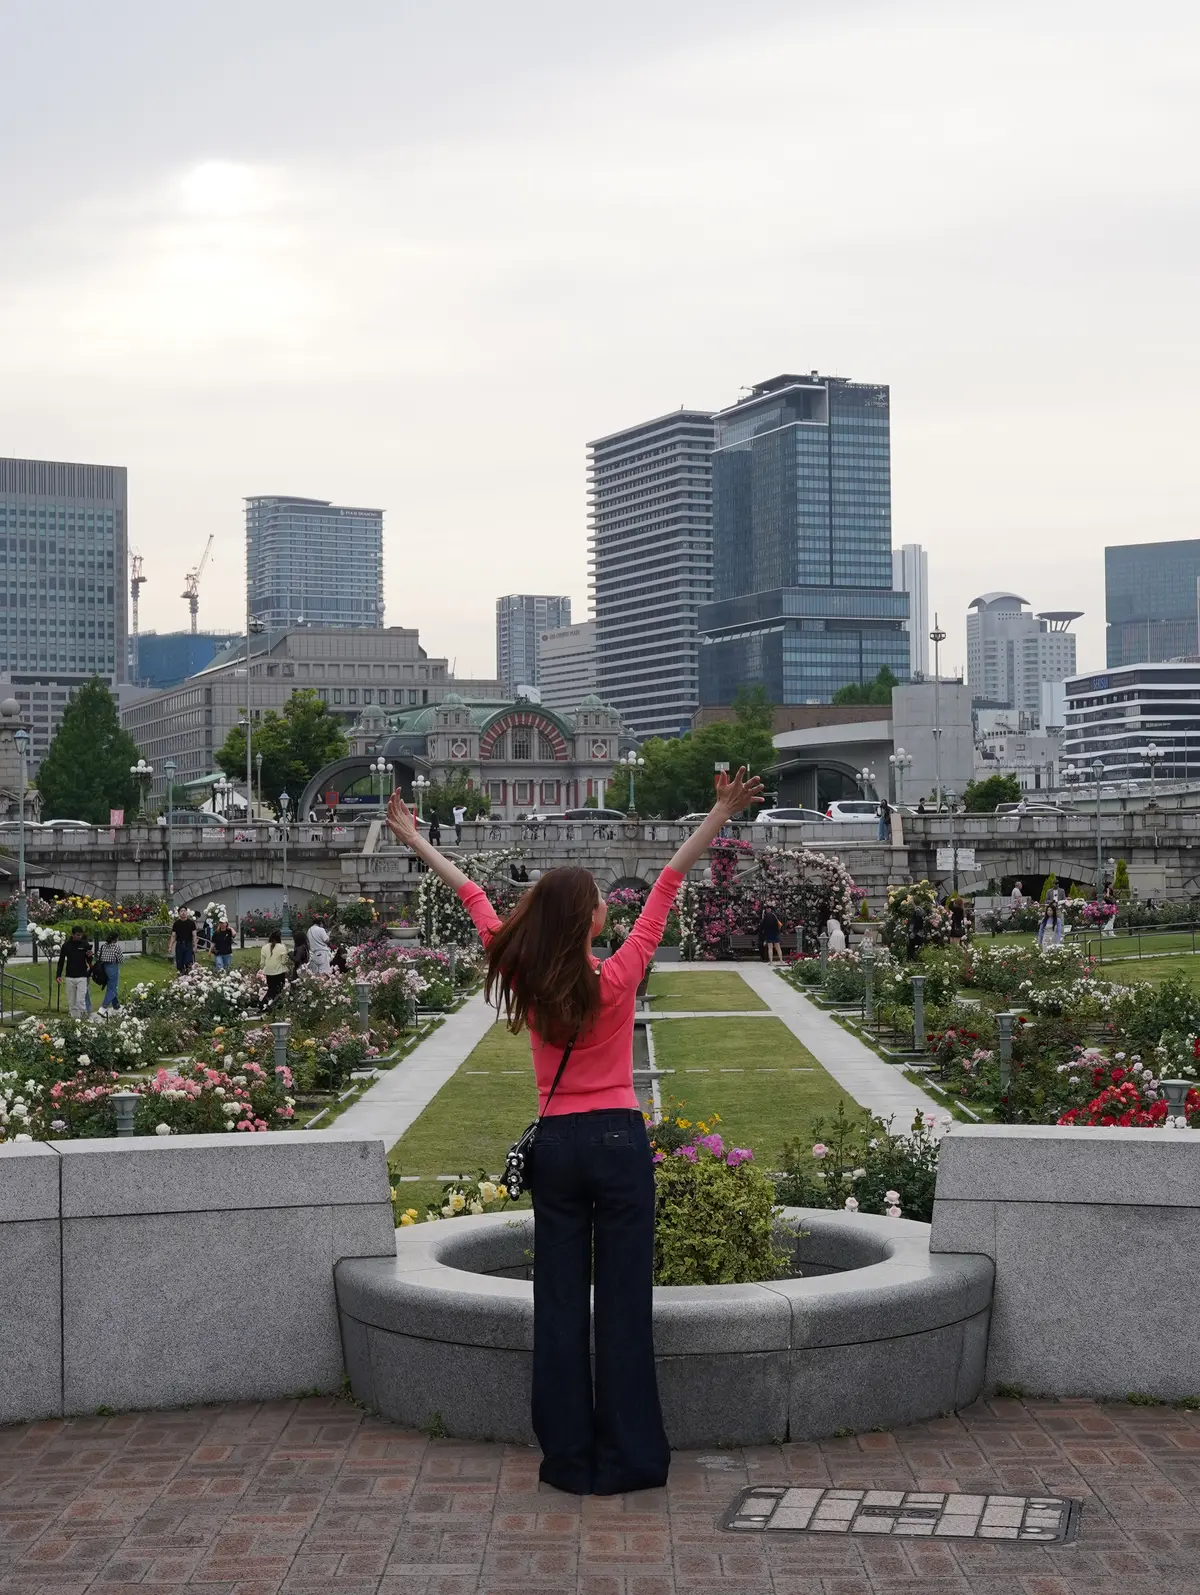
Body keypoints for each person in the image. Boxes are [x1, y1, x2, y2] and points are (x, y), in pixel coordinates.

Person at [384, 766, 764, 1496]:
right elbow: (670, 880)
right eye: (595, 902)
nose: (603, 909)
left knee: (560, 1305)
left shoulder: (524, 973)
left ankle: (567, 1459)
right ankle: (630, 1458)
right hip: (620, 1143)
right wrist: (718, 812)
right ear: (585, 918)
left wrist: (414, 839)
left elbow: (472, 894)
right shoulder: (616, 977)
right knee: (623, 1307)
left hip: (556, 1146)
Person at [56, 926, 93, 1020]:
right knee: (71, 1001)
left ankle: (83, 1019)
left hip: (82, 976)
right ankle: (75, 1020)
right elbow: (61, 961)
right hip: (70, 976)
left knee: (80, 1000)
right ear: (73, 935)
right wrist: (58, 975)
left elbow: (89, 961)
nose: (79, 937)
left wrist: (89, 956)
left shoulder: (85, 944)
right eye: (77, 935)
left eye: (81, 935)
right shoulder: (66, 945)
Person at [259, 930, 289, 1003]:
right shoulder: (282, 947)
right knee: (278, 990)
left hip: (268, 971)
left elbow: (262, 963)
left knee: (271, 989)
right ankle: (268, 1004)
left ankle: (267, 1004)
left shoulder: (264, 947)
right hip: (279, 971)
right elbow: (283, 961)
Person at [96, 929, 123, 1009]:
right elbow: (121, 959)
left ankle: (116, 1005)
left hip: (104, 968)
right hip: (112, 967)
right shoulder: (116, 947)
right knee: (112, 989)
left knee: (110, 987)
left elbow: (98, 955)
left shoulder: (103, 946)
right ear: (115, 939)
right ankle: (103, 1007)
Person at [167, 909, 195, 975]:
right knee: (179, 963)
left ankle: (189, 976)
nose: (183, 913)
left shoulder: (191, 923)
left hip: (188, 944)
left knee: (188, 962)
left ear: (187, 912)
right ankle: (181, 977)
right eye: (181, 911)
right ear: (179, 913)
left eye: (184, 911)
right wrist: (170, 946)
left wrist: (195, 946)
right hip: (179, 944)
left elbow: (194, 935)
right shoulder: (176, 924)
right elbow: (173, 936)